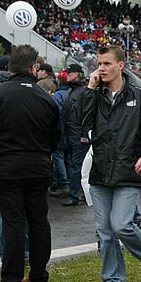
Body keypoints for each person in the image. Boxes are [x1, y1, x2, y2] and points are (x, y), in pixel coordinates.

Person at [0, 44, 61, 282]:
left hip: (7, 167)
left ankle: (11, 278)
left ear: (9, 67)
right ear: (34, 68)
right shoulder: (45, 98)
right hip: (39, 167)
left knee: (13, 222)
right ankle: (39, 274)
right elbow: (56, 137)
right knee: (39, 220)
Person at [78, 45, 141, 282]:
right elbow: (78, 122)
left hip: (128, 170)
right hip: (100, 170)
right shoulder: (96, 94)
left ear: (120, 66)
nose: (101, 68)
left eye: (106, 64)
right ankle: (114, 279)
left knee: (121, 224)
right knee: (104, 230)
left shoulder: (139, 94)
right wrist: (90, 89)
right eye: (99, 63)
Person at [54, 63, 88, 206]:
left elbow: (87, 113)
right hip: (73, 134)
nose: (67, 76)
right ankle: (78, 193)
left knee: (77, 166)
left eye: (70, 73)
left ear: (77, 74)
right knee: (75, 165)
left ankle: (76, 194)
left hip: (77, 135)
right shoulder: (74, 91)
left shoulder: (81, 91)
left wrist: (84, 134)